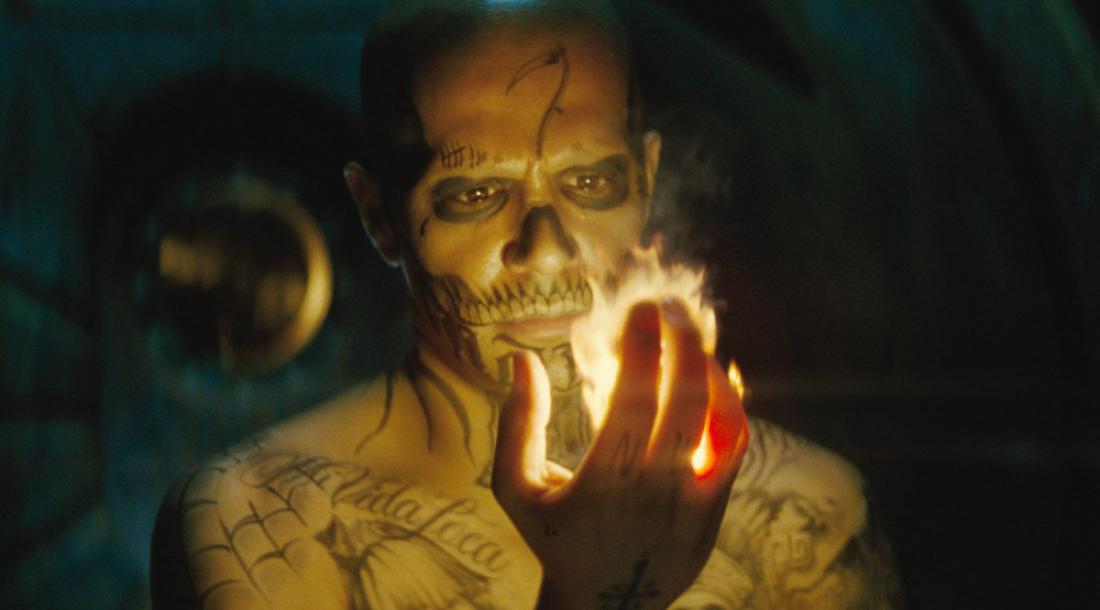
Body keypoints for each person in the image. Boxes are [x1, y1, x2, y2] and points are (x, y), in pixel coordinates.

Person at [150, 2, 901, 608]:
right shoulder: (259, 522)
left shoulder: (811, 515)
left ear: (645, 180)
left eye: (589, 184)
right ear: (378, 215)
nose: (545, 247)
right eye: (476, 194)